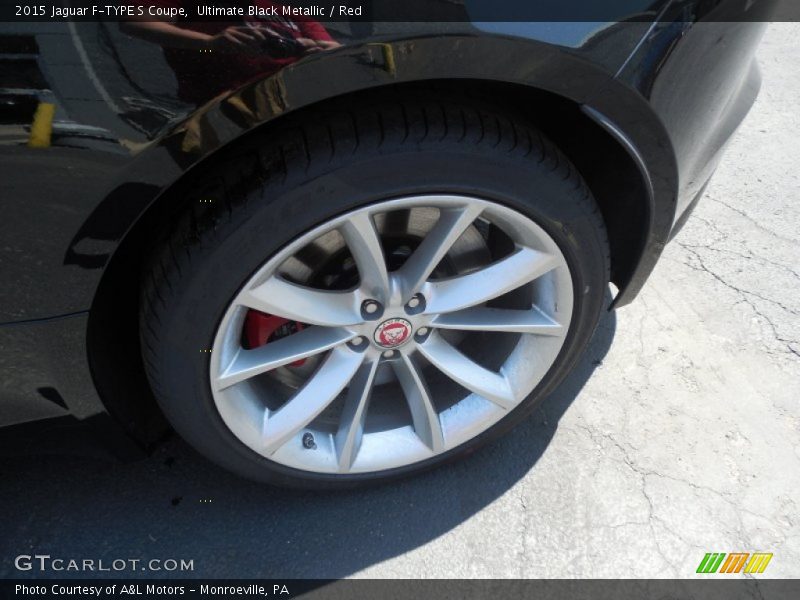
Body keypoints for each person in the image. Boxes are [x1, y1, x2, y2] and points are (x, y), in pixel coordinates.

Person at [121, 0, 341, 105]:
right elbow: (135, 22)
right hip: (228, 111)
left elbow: (331, 48)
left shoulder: (281, 7)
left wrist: (320, 49)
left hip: (299, 101)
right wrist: (211, 43)